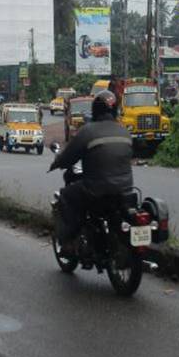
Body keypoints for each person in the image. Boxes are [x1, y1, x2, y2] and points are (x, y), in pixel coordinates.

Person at [49, 90, 134, 253]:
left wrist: (56, 164)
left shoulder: (88, 131)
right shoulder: (125, 131)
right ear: (115, 110)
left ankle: (67, 242)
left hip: (96, 189)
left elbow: (68, 156)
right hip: (125, 189)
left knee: (66, 195)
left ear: (95, 110)